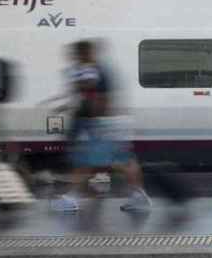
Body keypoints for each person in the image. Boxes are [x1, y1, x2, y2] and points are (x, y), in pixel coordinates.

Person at [51, 39, 151, 212]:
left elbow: (97, 98)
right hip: (109, 122)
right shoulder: (99, 70)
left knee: (88, 161)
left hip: (100, 123)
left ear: (84, 53)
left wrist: (93, 120)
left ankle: (71, 199)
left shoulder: (92, 71)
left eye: (76, 55)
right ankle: (139, 196)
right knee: (122, 161)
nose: (73, 58)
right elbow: (92, 95)